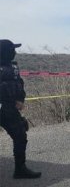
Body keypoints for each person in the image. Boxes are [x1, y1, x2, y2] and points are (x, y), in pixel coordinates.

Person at [0, 39, 41, 179]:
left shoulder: (13, 68)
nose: (15, 52)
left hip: (9, 108)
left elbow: (19, 84)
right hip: (4, 107)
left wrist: (20, 99)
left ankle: (20, 169)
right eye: (12, 50)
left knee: (20, 134)